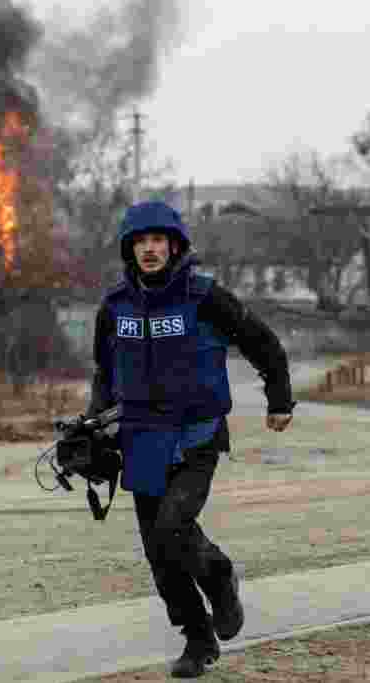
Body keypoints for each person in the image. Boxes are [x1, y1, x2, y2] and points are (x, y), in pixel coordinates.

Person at [87, 200, 295, 678]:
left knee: (173, 528)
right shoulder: (114, 306)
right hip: (140, 441)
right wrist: (93, 421)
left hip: (196, 436)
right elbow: (104, 372)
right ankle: (198, 640)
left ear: (175, 244)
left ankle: (219, 577)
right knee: (160, 554)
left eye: (158, 240)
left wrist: (279, 398)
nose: (150, 249)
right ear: (129, 249)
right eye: (140, 242)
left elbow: (260, 341)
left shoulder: (204, 296)